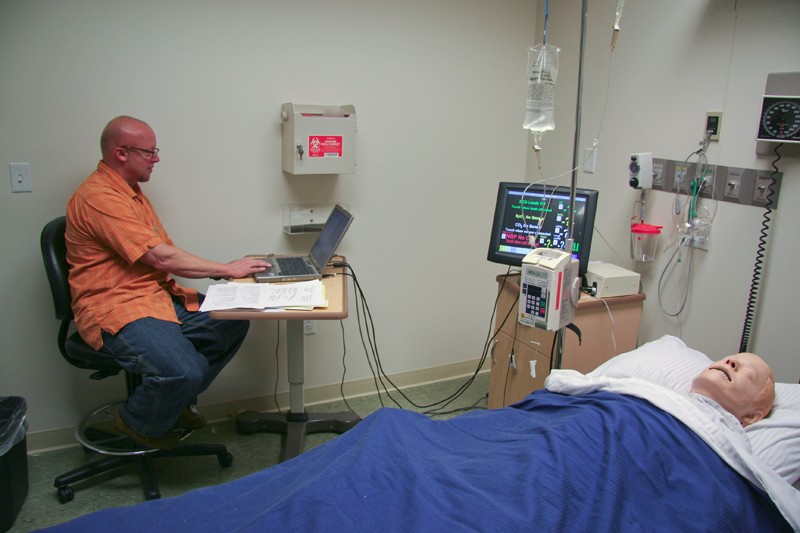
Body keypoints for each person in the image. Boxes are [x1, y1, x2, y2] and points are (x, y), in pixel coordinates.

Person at [65, 115, 271, 449]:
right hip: (118, 307)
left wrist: (225, 272)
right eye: (149, 152)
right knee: (184, 370)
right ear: (121, 153)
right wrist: (225, 269)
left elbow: (163, 254)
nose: (156, 158)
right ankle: (135, 424)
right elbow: (160, 258)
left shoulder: (132, 192)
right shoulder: (99, 198)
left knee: (231, 321)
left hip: (156, 297)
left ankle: (170, 407)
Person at [690, 352, 775, 427]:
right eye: (724, 359)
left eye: (749, 374)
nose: (730, 361)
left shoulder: (728, 440)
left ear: (751, 416)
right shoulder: (677, 400)